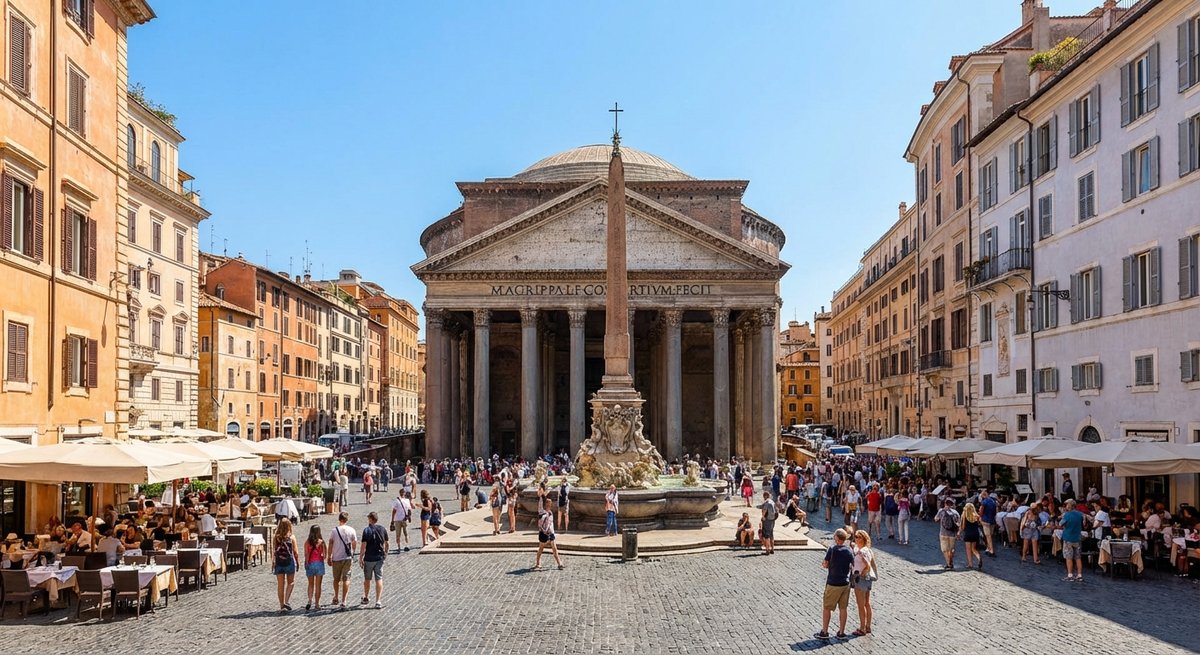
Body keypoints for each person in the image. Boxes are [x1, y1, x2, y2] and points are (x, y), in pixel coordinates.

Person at [815, 528, 854, 642]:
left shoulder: (832, 549)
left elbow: (825, 564)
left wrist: (826, 564)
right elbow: (853, 564)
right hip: (845, 583)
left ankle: (824, 631)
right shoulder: (849, 550)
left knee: (827, 608)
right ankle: (841, 632)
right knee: (843, 608)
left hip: (833, 582)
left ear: (837, 538)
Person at [326, 511, 358, 610]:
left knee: (336, 579)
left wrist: (329, 556)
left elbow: (330, 544)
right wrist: (352, 552)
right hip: (347, 558)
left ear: (339, 519)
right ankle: (344, 600)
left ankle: (336, 597)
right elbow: (354, 542)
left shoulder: (334, 531)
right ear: (347, 520)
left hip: (336, 558)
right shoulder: (351, 530)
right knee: (346, 579)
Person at [359, 512, 388, 609]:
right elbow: (387, 543)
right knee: (379, 579)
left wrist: (361, 557)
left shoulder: (367, 530)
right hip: (379, 557)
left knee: (367, 579)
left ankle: (366, 597)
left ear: (371, 519)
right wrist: (386, 553)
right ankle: (378, 601)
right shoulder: (382, 529)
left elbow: (363, 546)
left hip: (369, 558)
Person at [850, 530, 876, 637]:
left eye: (858, 537)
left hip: (860, 579)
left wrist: (861, 573)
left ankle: (862, 628)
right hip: (868, 579)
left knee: (861, 604)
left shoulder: (862, 552)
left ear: (863, 539)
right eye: (855, 536)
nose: (855, 538)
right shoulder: (867, 550)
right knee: (867, 603)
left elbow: (868, 565)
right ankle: (868, 626)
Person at [272, 518, 299, 613]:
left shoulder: (276, 537)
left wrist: (273, 562)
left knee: (280, 585)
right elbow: (295, 552)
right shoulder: (292, 537)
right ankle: (286, 601)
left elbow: (274, 551)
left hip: (279, 562)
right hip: (289, 562)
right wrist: (297, 562)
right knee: (291, 582)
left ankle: (281, 605)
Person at [533, 497, 565, 571]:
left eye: (550, 504)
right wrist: (542, 496)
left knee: (554, 548)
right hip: (543, 533)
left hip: (550, 533)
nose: (549, 505)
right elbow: (540, 502)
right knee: (541, 548)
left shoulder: (550, 513)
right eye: (548, 503)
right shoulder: (542, 512)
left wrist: (552, 532)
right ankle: (538, 563)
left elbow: (551, 523)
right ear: (545, 504)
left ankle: (559, 563)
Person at [1059, 499, 1086, 582]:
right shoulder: (1079, 514)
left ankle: (1070, 575)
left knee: (1069, 557)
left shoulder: (1066, 515)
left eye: (1067, 504)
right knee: (1078, 557)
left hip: (1068, 538)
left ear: (1070, 506)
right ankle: (1079, 575)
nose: (1066, 506)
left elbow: (1060, 524)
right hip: (1077, 538)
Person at [303, 524, 326, 611]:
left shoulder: (307, 542)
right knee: (318, 585)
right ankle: (317, 604)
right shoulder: (321, 542)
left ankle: (309, 601)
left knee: (310, 584)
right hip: (319, 563)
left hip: (310, 564)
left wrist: (306, 563)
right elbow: (324, 555)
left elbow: (306, 554)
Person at [933, 499, 960, 570]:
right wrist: (958, 532)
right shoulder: (955, 512)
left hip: (943, 533)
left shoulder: (941, 511)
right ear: (952, 504)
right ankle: (951, 561)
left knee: (945, 549)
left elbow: (936, 519)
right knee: (952, 549)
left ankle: (948, 563)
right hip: (952, 533)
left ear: (945, 503)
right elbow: (959, 523)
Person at [959, 503, 983, 571]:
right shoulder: (976, 516)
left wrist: (959, 532)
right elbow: (980, 524)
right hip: (975, 534)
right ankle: (979, 558)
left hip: (968, 534)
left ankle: (970, 564)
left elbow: (963, 527)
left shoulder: (964, 516)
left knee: (968, 550)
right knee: (974, 549)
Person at [978, 489, 998, 557]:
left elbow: (981, 512)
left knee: (988, 536)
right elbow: (996, 511)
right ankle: (988, 548)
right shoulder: (993, 501)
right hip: (992, 520)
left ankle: (991, 550)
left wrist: (980, 517)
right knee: (990, 535)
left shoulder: (984, 502)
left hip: (985, 520)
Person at [759, 491, 778, 555]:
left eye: (764, 496)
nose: (763, 498)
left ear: (765, 496)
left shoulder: (767, 502)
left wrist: (763, 517)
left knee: (767, 536)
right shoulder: (772, 502)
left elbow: (764, 510)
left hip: (767, 520)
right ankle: (772, 549)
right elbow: (776, 510)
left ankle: (767, 550)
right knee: (771, 535)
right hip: (772, 520)